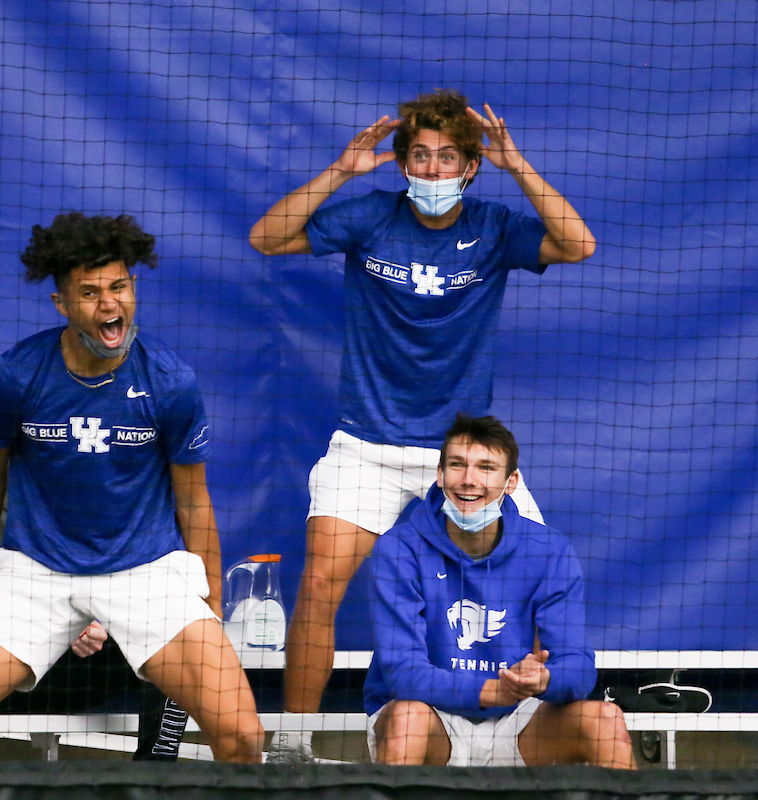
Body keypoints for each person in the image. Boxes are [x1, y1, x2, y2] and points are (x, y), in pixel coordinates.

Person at [249, 89, 595, 762]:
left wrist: (516, 163)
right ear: (402, 163)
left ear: (469, 167)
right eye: (419, 156)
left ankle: (517, 741)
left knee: (538, 571)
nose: (431, 171)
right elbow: (267, 237)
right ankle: (290, 747)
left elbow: (577, 244)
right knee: (320, 579)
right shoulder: (371, 216)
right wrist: (341, 173)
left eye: (447, 158)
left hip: (460, 456)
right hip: (367, 445)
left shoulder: (495, 227)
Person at [0, 212, 263, 763]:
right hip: (35, 575)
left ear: (133, 288)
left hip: (145, 573)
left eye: (119, 287)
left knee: (242, 737)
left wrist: (207, 597)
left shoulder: (170, 382)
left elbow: (193, 497)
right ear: (62, 304)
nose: (109, 304)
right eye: (89, 293)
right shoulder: (14, 376)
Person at [364, 414, 635, 768]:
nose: (468, 480)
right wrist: (493, 691)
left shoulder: (548, 549)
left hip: (519, 722)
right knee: (405, 721)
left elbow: (579, 668)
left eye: (486, 467)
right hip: (431, 718)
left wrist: (544, 679)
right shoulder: (398, 548)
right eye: (457, 465)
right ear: (440, 475)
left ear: (511, 482)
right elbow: (403, 673)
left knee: (605, 722)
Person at [0, 481, 190, 760]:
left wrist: (98, 621)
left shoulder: (117, 503)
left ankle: (155, 776)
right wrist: (28, 616)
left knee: (174, 626)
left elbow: (144, 593)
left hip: (78, 673)